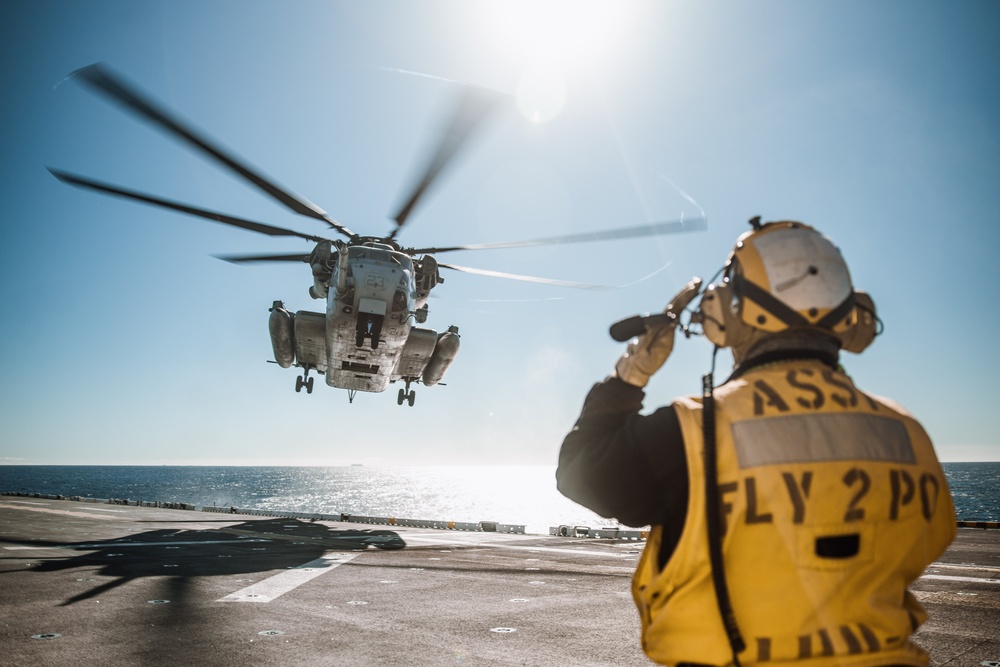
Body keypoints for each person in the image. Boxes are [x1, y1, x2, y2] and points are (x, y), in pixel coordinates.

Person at [556, 219, 956, 667]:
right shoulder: (905, 430)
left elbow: (578, 471)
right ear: (848, 312)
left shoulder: (692, 430)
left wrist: (630, 374)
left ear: (727, 309)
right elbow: (931, 538)